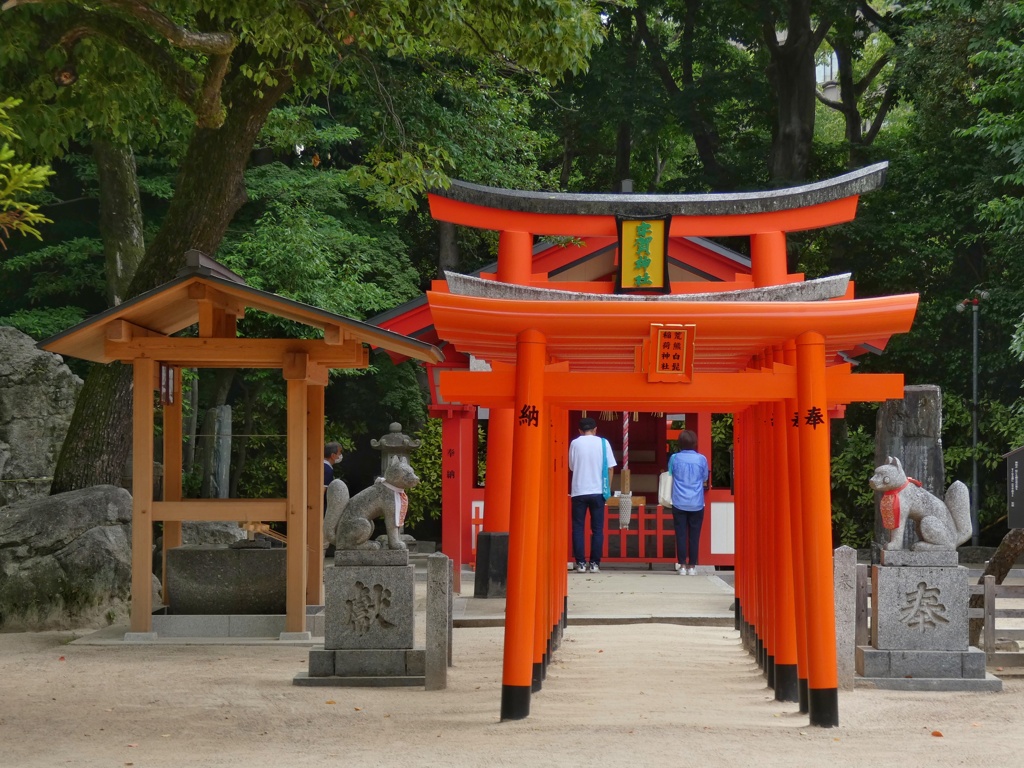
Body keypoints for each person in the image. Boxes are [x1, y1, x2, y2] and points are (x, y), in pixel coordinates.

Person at [569, 416, 616, 573]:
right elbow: (610, 468)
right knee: (597, 529)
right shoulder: (603, 443)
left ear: (580, 431)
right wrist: (607, 488)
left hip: (579, 490)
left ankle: (581, 563)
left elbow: (571, 466)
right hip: (597, 491)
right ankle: (595, 563)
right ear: (595, 429)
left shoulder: (575, 443)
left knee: (578, 527)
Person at [668, 429, 709, 576]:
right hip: (697, 501)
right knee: (694, 535)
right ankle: (692, 566)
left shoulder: (674, 458)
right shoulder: (702, 459)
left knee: (680, 534)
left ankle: (682, 566)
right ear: (695, 443)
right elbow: (704, 477)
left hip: (679, 500)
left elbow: (670, 474)